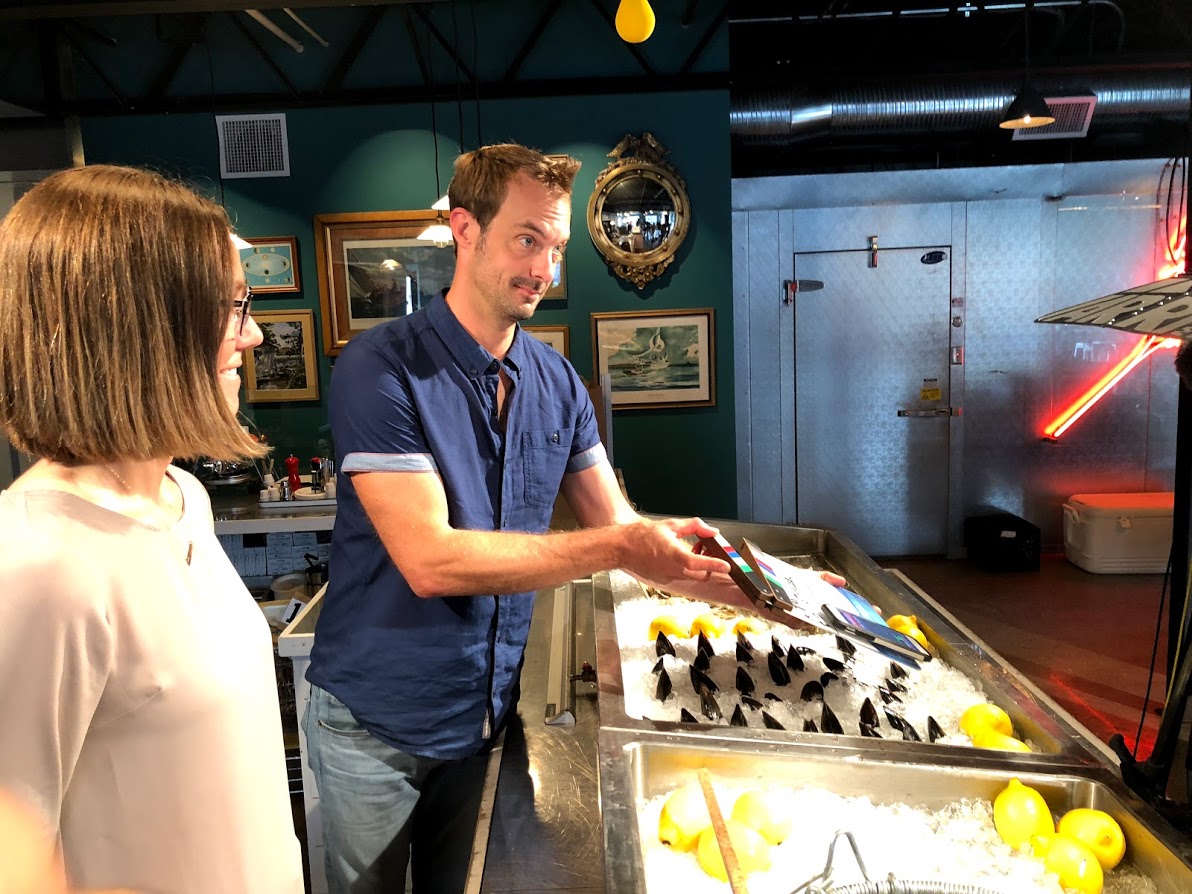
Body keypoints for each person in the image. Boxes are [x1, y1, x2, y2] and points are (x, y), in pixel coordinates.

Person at [304, 143, 785, 894]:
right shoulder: (381, 367)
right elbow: (431, 562)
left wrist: (755, 588)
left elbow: (620, 524)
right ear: (465, 229)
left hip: (484, 720)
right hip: (376, 726)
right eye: (527, 240)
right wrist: (619, 546)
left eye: (556, 249)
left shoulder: (557, 380)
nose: (544, 271)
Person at [0, 165, 304, 894]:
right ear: (140, 329)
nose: (253, 334)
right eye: (232, 307)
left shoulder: (183, 497)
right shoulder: (37, 562)